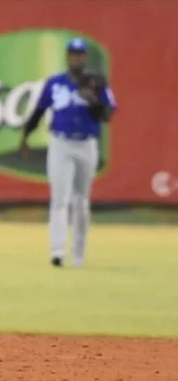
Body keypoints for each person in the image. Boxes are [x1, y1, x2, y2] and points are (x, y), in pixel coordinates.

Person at [20, 38, 117, 268]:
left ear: (85, 57)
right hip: (61, 144)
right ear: (67, 57)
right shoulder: (55, 83)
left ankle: (79, 255)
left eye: (80, 54)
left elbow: (108, 114)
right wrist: (25, 136)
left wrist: (93, 100)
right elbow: (39, 110)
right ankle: (57, 252)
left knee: (81, 200)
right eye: (73, 53)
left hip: (86, 144)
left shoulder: (96, 82)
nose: (76, 57)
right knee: (59, 198)